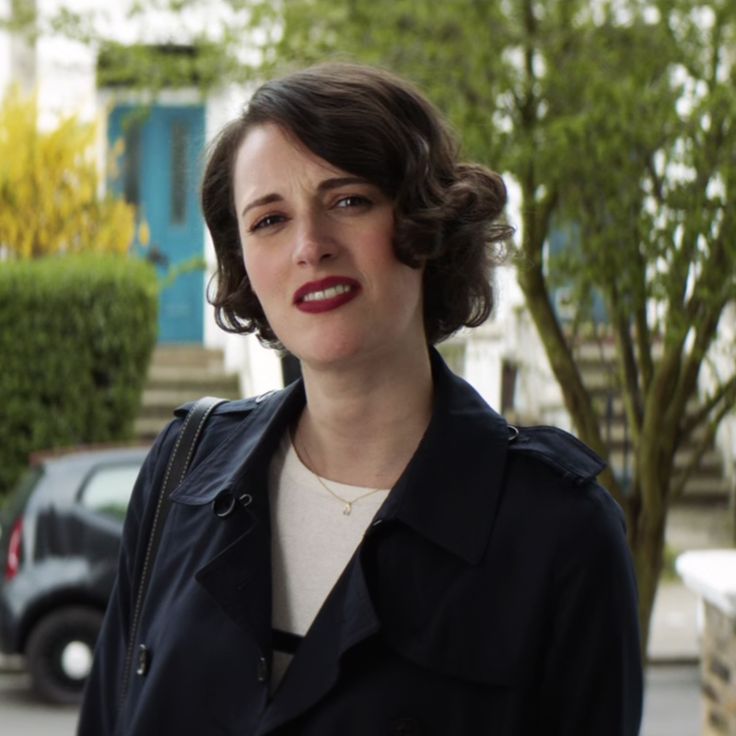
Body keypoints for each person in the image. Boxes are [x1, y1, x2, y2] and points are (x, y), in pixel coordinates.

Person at [78, 63, 642, 735]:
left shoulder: (559, 532)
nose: (310, 247)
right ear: (244, 266)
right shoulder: (182, 471)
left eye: (349, 201)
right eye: (269, 220)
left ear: (423, 222)